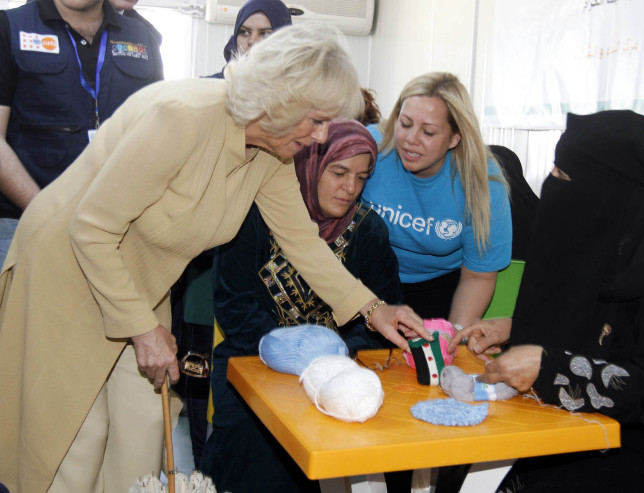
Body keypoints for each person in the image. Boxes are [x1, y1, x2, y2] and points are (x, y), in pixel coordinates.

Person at [0, 24, 429, 493]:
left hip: (138, 283)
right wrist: (144, 329)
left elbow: (302, 243)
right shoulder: (181, 118)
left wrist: (374, 308)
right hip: (69, 272)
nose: (322, 136)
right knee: (77, 438)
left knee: (143, 425)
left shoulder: (272, 153)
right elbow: (92, 227)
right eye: (317, 120)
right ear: (279, 99)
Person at [451, 110, 644, 492]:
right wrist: (516, 328)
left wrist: (549, 366)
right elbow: (598, 324)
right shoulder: (605, 240)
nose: (552, 185)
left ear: (611, 187)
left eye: (564, 176)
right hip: (585, 435)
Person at [199, 118, 401, 493]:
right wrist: (291, 355)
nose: (349, 188)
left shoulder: (368, 230)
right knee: (254, 447)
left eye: (361, 177)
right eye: (339, 172)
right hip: (253, 362)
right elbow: (234, 305)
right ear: (310, 163)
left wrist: (332, 361)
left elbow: (378, 318)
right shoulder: (256, 212)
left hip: (337, 371)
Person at [173, 0, 292, 467]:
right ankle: (203, 470)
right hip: (202, 254)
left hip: (259, 258)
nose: (254, 43)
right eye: (246, 32)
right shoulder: (204, 95)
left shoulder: (294, 108)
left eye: (267, 34)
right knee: (198, 364)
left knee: (248, 370)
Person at [0, 0, 164, 267]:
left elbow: (158, 139)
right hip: (23, 225)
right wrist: (46, 214)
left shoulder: (141, 38)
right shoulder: (10, 27)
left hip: (115, 232)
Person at [361, 72, 513, 329]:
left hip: (435, 290)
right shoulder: (368, 146)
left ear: (455, 138)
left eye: (428, 132)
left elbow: (478, 277)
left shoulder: (482, 184)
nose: (410, 139)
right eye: (405, 123)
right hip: (362, 281)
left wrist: (451, 338)